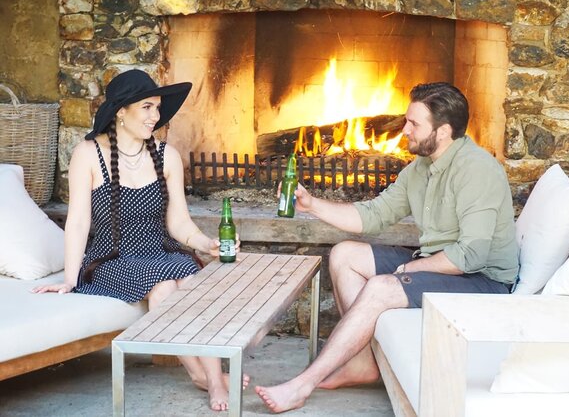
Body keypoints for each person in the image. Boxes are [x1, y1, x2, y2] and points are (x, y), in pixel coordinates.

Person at [254, 82, 519, 412]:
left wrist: (409, 269)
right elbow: (374, 215)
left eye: (414, 124)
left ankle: (301, 385)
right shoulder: (419, 169)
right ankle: (363, 362)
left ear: (444, 131)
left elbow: (470, 256)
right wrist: (312, 205)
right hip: (440, 261)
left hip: (482, 281)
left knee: (382, 288)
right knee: (345, 255)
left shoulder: (476, 171)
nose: (403, 129)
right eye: (406, 120)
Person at [32, 69, 247, 411]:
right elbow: (77, 222)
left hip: (160, 250)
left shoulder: (167, 156)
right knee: (162, 286)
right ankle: (205, 376)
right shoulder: (88, 154)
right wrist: (70, 279)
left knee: (191, 280)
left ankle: (212, 372)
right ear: (121, 110)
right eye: (146, 107)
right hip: (111, 258)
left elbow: (178, 222)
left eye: (157, 108)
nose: (155, 117)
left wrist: (205, 243)